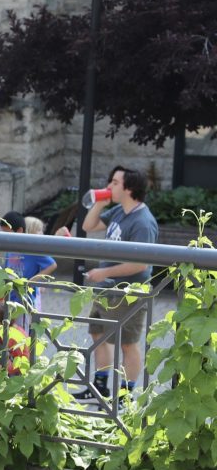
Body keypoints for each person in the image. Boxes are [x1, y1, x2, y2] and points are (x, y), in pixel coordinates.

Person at [67, 166, 159, 401]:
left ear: (129, 189)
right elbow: (88, 226)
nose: (108, 186)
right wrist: (100, 202)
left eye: (115, 183)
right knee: (98, 334)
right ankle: (99, 388)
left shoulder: (143, 222)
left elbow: (140, 264)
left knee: (127, 343)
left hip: (128, 293)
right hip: (106, 289)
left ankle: (125, 395)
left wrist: (105, 271)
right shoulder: (119, 210)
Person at [0, 210, 57, 331]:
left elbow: (52, 265)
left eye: (6, 232)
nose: (4, 235)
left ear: (19, 230)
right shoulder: (10, 248)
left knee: (22, 335)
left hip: (25, 301)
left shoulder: (31, 249)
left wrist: (32, 281)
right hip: (10, 298)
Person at [0, 300, 31, 375]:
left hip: (19, 365)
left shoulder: (11, 336)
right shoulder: (4, 324)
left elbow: (19, 360)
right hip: (9, 355)